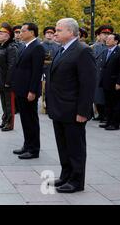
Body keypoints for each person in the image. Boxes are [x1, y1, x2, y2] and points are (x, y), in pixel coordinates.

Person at [46, 18, 96, 193]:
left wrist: (83, 111)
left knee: (75, 147)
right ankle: (66, 175)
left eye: (59, 30)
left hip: (73, 109)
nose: (55, 33)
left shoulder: (82, 51)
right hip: (59, 108)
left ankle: (76, 181)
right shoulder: (62, 50)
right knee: (63, 145)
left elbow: (88, 84)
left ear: (71, 32)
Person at [11, 22, 45, 159]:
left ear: (32, 32)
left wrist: (32, 91)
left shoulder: (37, 47)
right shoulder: (25, 46)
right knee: (25, 119)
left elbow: (36, 72)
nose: (20, 33)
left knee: (31, 120)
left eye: (23, 31)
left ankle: (34, 149)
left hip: (28, 91)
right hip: (21, 89)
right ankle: (27, 145)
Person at [0, 23, 18, 131]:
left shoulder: (11, 47)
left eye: (2, 33)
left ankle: (10, 123)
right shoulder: (2, 46)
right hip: (1, 80)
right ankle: (4, 120)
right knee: (4, 102)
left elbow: (12, 66)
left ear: (8, 35)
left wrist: (8, 81)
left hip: (7, 81)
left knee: (9, 103)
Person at [92, 25, 113, 122]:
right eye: (104, 34)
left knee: (106, 96)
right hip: (96, 75)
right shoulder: (93, 47)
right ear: (98, 35)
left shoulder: (112, 47)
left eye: (108, 34)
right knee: (97, 95)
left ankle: (106, 115)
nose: (106, 36)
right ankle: (100, 114)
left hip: (107, 76)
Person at [98, 33, 120, 130]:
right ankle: (108, 122)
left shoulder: (118, 51)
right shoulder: (106, 51)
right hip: (106, 82)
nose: (107, 40)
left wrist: (119, 82)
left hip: (115, 83)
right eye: (107, 39)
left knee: (115, 104)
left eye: (110, 39)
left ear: (116, 41)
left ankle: (115, 124)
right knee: (108, 103)